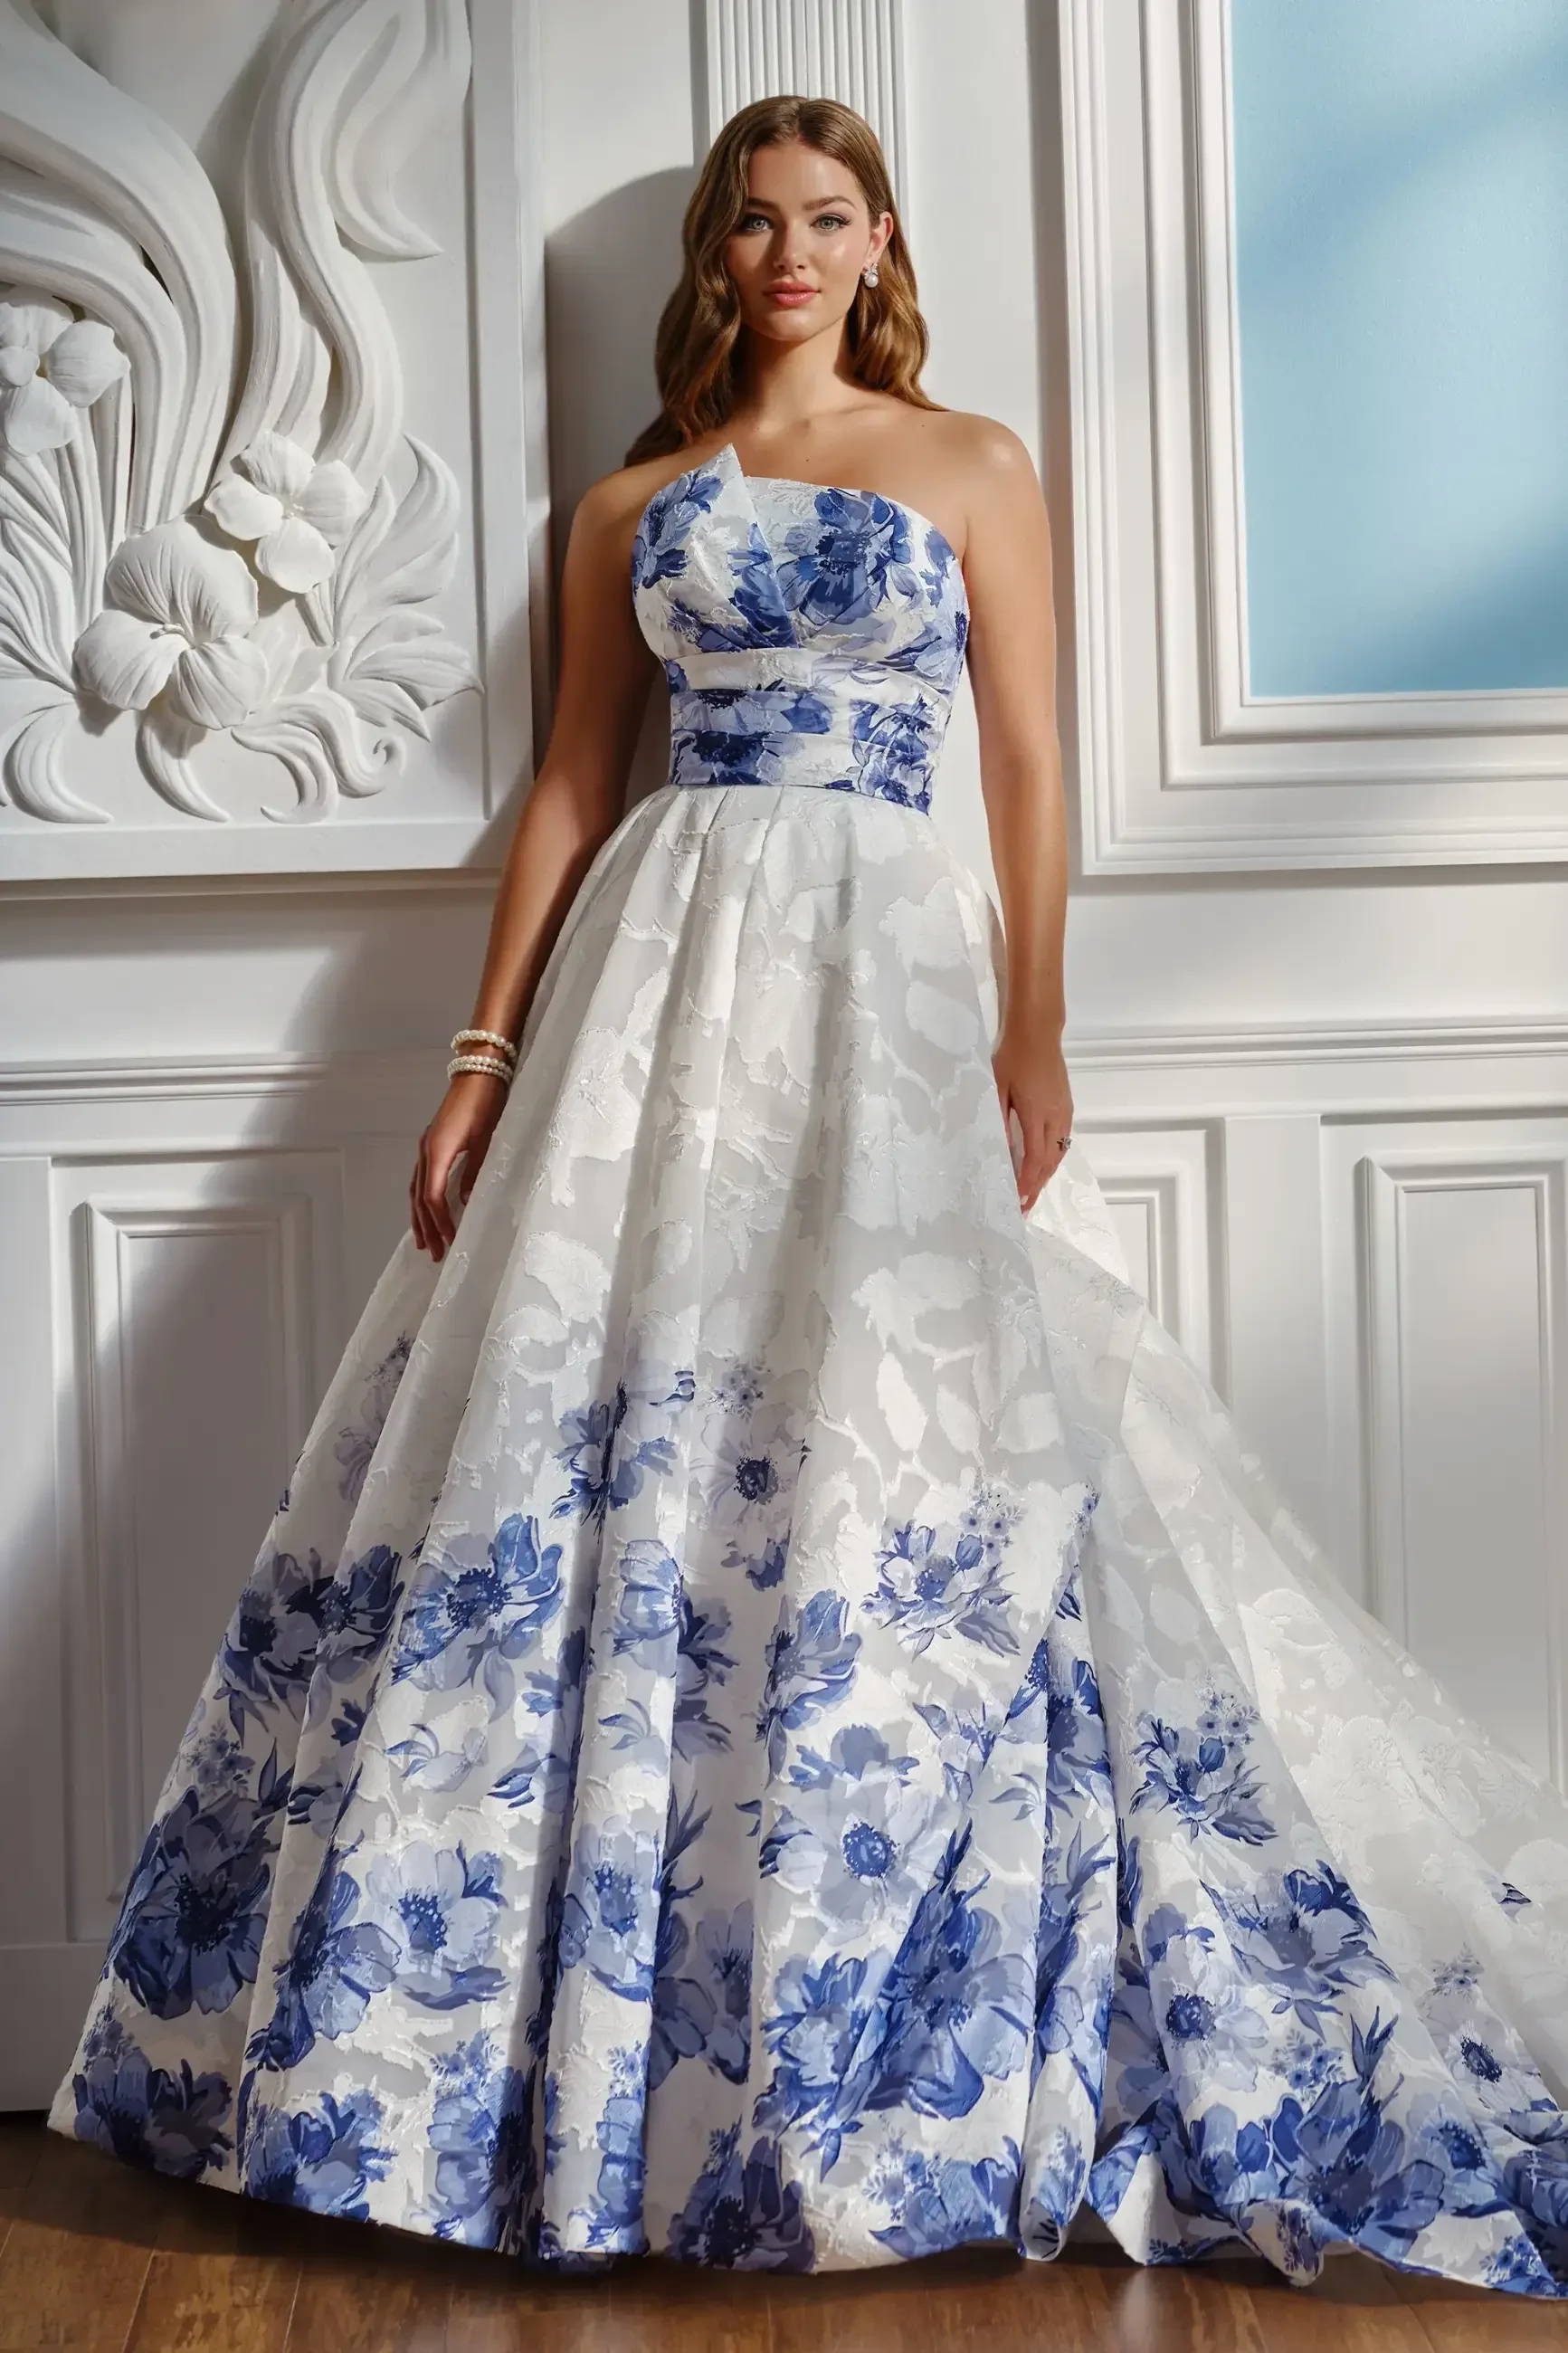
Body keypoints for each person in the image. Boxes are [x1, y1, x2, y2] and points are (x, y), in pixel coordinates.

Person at [47, 96, 1568, 2295]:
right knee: (603, 1445)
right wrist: (481, 1053)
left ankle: (870, 2012)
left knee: (903, 1444)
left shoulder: (969, 466)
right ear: (714, 247)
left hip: (881, 964)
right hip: (654, 990)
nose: (789, 249)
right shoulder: (633, 507)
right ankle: (530, 2063)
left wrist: (1038, 1018)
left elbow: (1029, 760)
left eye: (828, 216)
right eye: (754, 220)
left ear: (877, 243)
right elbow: (579, 785)